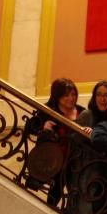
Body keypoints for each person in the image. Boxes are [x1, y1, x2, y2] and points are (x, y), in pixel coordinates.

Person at [25, 77, 91, 207]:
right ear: (57, 96)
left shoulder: (83, 112)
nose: (71, 98)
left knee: (76, 192)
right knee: (55, 190)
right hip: (53, 159)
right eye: (66, 95)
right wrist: (43, 127)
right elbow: (30, 128)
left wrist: (90, 130)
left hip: (75, 159)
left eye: (73, 94)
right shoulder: (48, 110)